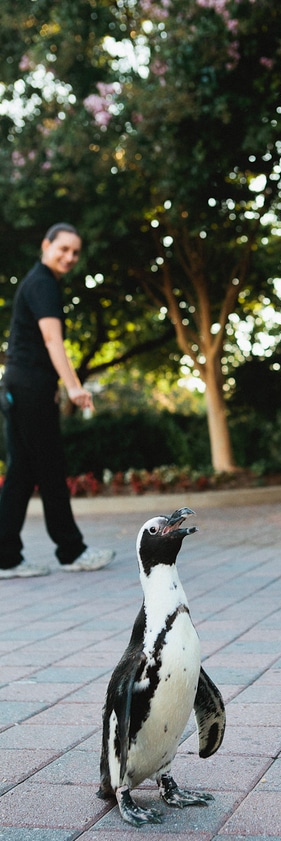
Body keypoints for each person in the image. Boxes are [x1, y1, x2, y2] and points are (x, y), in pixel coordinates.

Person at [0, 223, 115, 578]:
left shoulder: (38, 282)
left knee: (22, 471)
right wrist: (73, 386)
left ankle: (5, 557)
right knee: (48, 469)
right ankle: (71, 551)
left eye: (75, 252)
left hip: (20, 386)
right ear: (46, 245)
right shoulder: (43, 284)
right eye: (63, 248)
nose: (69, 257)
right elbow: (52, 342)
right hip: (29, 388)